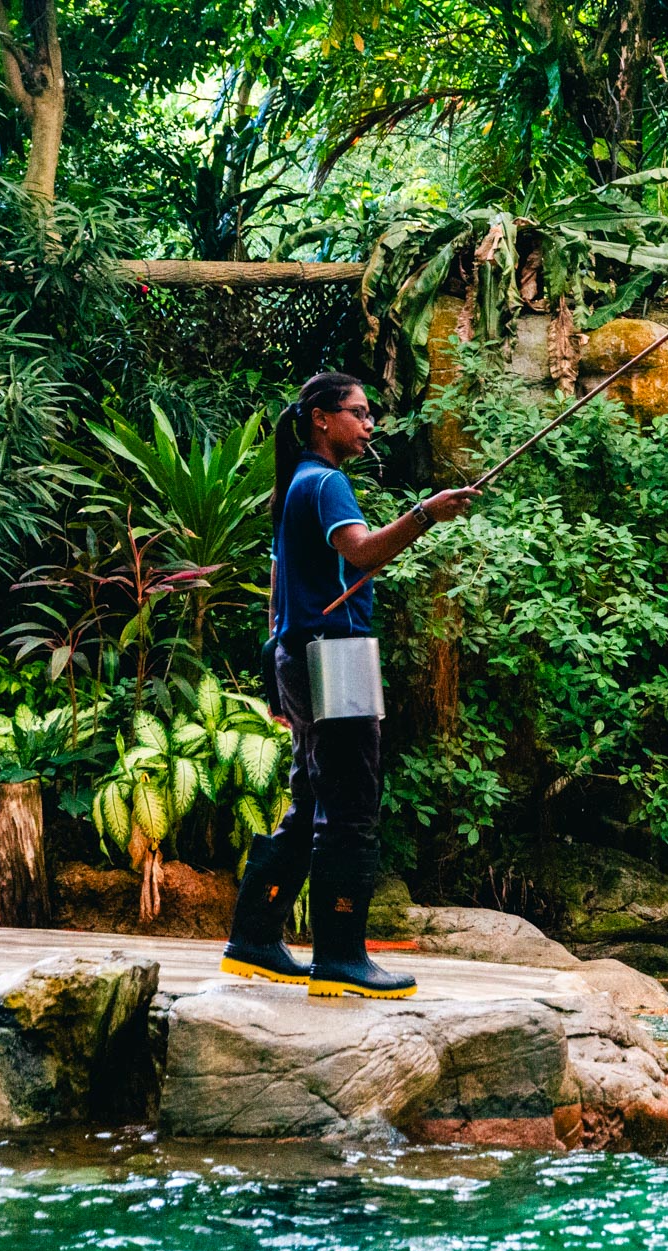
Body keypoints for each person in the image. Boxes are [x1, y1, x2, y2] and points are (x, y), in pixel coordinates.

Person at [220, 371, 477, 998]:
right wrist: (426, 513)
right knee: (352, 806)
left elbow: (279, 589)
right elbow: (362, 552)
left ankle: (254, 938)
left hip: (299, 653)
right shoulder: (326, 482)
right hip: (336, 656)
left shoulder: (297, 484)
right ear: (321, 418)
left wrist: (278, 670)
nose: (369, 425)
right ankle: (340, 958)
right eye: (358, 414)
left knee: (312, 799)